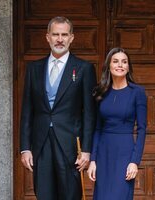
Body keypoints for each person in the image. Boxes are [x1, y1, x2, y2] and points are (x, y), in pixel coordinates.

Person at [20, 16, 97, 200]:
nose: (60, 39)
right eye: (55, 34)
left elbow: (89, 113)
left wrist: (87, 150)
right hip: (41, 143)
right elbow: (27, 111)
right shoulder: (34, 69)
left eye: (64, 34)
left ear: (72, 37)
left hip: (71, 146)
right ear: (48, 37)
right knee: (44, 194)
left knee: (70, 195)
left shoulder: (84, 68)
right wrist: (25, 148)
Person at [87, 47, 147, 200]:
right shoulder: (101, 92)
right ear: (109, 66)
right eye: (115, 61)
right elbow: (98, 129)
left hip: (124, 153)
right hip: (103, 153)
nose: (120, 65)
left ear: (128, 67)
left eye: (124, 62)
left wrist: (135, 161)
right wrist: (93, 160)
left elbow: (141, 129)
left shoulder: (137, 92)